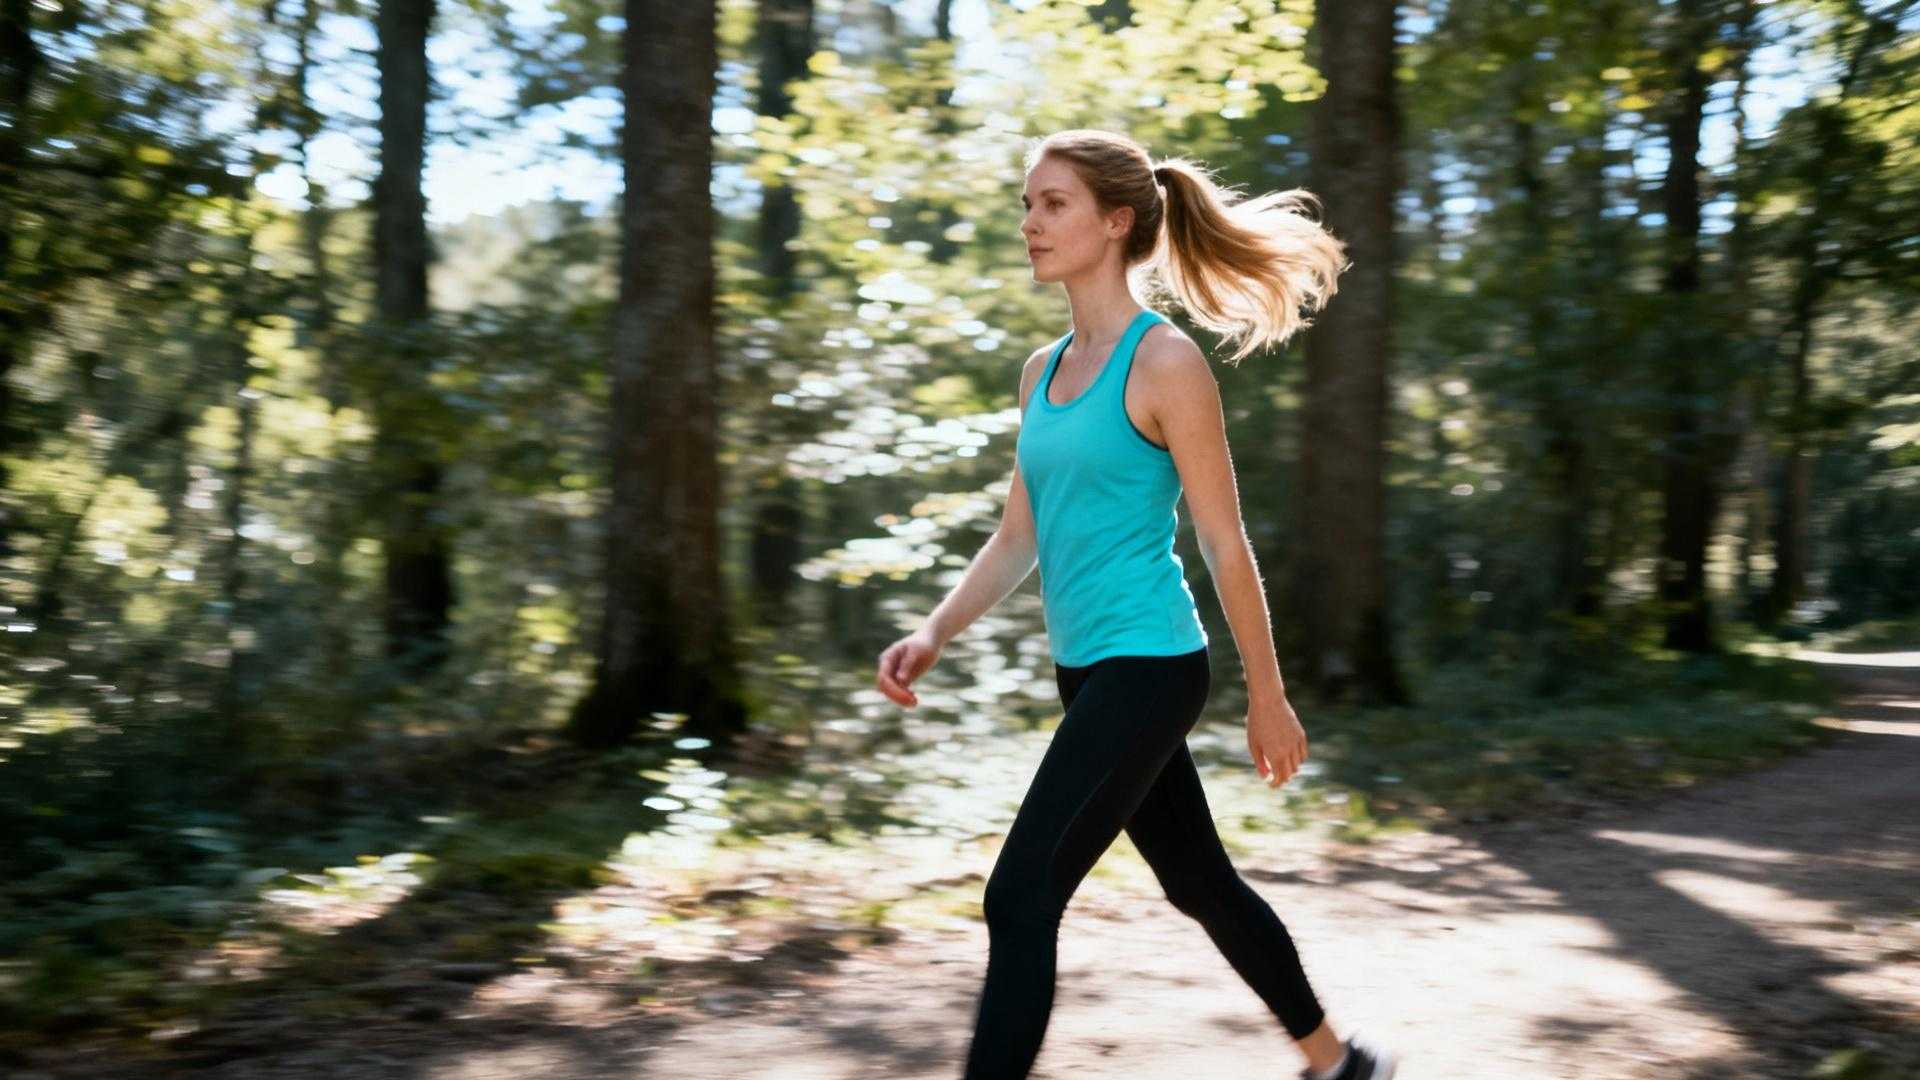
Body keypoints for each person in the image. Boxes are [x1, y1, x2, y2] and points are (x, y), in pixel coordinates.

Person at [874, 129, 1398, 1080]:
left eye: (1052, 204)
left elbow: (1223, 540)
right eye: (1026, 205)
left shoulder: (1165, 365)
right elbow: (1018, 538)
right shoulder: (1041, 373)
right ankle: (1337, 1064)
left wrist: (1268, 696)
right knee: (1200, 882)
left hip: (1150, 669)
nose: (1029, 223)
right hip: (1088, 673)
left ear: (1116, 223)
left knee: (1020, 897)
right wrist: (933, 631)